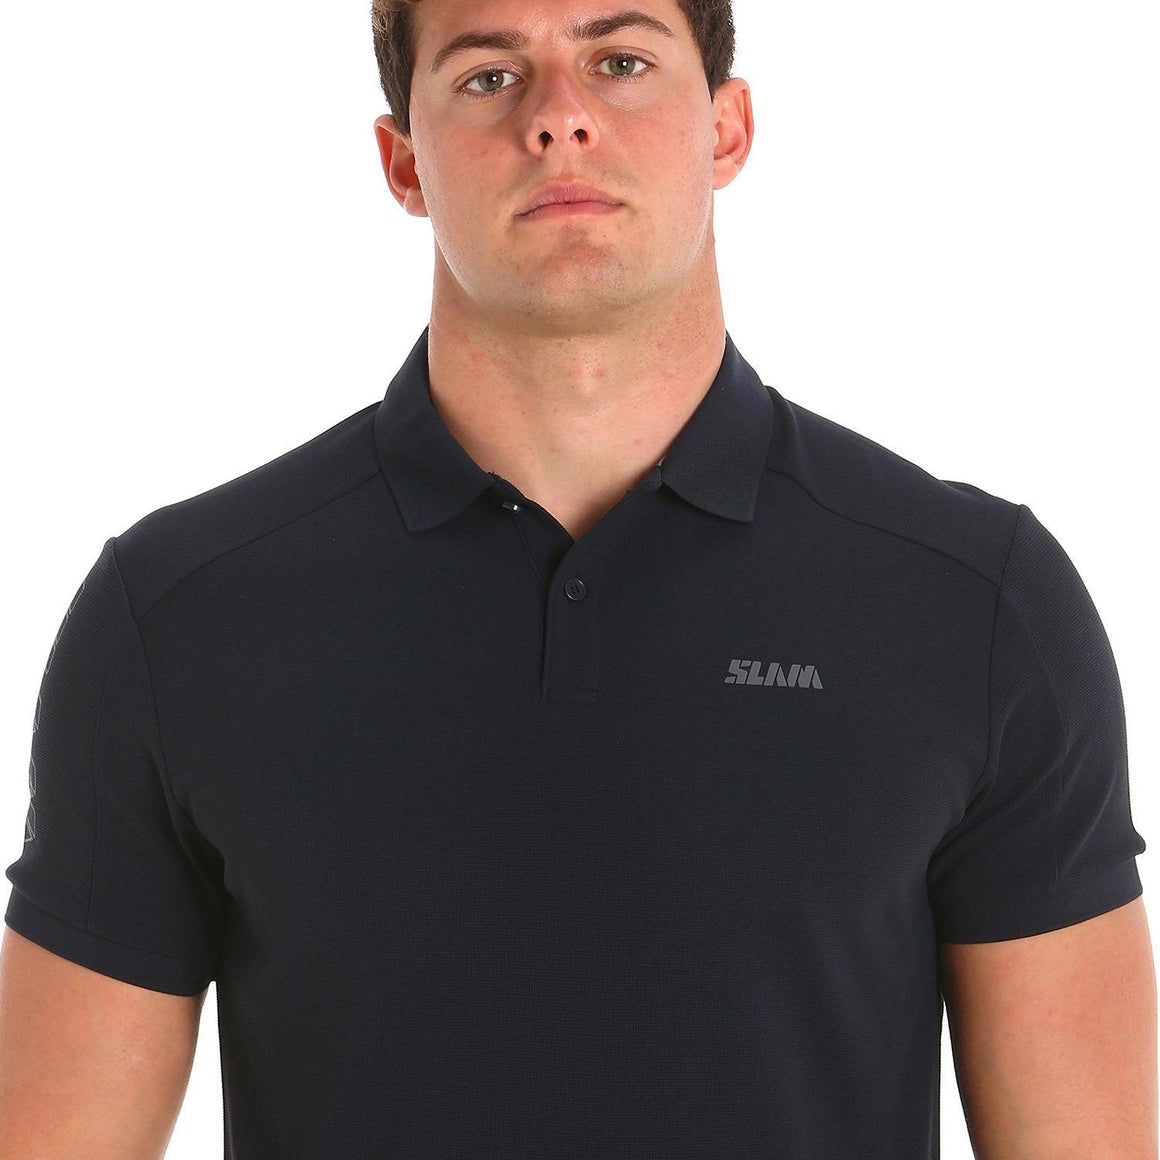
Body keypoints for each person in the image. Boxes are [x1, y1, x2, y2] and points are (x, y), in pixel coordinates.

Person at [0, 0, 1154, 1156]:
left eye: (619, 60)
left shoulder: (975, 606)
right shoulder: (180, 617)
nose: (558, 117)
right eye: (488, 76)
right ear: (403, 162)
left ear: (725, 129)